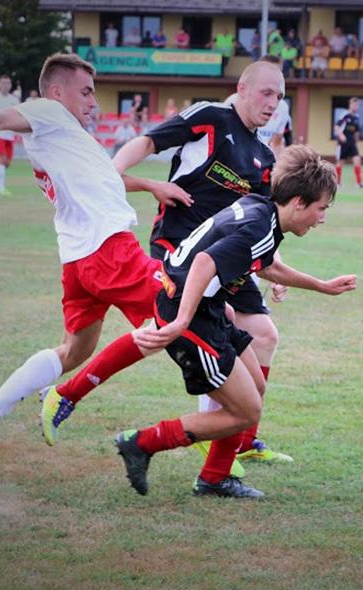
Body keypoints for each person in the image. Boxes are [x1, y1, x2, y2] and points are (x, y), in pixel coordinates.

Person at [43, 61, 291, 468]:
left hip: (225, 257)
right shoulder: (210, 117)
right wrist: (114, 173)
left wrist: (276, 265)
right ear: (242, 88)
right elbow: (147, 142)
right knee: (174, 326)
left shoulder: (264, 157)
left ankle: (238, 436)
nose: (273, 103)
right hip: (177, 246)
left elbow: (264, 216)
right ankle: (67, 394)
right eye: (266, 93)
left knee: (263, 334)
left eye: (279, 97)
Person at [0, 52, 190, 458]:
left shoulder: (69, 137)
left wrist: (151, 184)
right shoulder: (49, 112)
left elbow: (106, 177)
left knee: (74, 351)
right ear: (57, 91)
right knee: (191, 311)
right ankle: (223, 435)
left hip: (79, 261)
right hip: (110, 252)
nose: (93, 103)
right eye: (85, 93)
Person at [114, 144, 357, 498]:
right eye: (321, 209)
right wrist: (181, 322)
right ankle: (142, 443)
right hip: (189, 313)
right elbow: (203, 264)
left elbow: (268, 263)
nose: (322, 218)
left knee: (255, 387)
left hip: (206, 308)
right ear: (299, 203)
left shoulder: (261, 209)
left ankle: (214, 478)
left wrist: (320, 285)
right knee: (246, 411)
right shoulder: (259, 227)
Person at [335, 96, 363, 188]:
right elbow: (337, 127)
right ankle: (337, 183)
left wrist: (357, 138)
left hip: (352, 143)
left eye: (358, 105)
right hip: (343, 143)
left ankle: (359, 183)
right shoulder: (344, 115)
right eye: (354, 105)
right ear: (350, 105)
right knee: (340, 163)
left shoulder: (357, 117)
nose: (356, 107)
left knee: (357, 161)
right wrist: (341, 136)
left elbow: (356, 131)